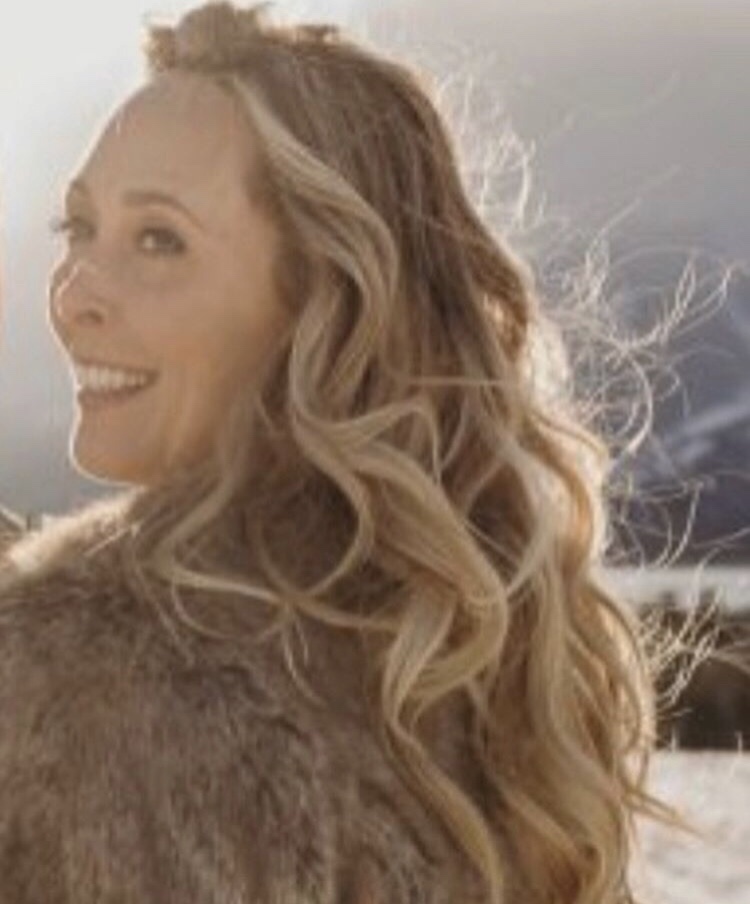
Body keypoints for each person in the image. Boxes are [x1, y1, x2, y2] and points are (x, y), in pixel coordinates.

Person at [0, 3, 680, 902]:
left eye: (159, 239)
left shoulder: (79, 675)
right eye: (77, 228)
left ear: (322, 300)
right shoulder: (492, 674)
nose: (74, 293)